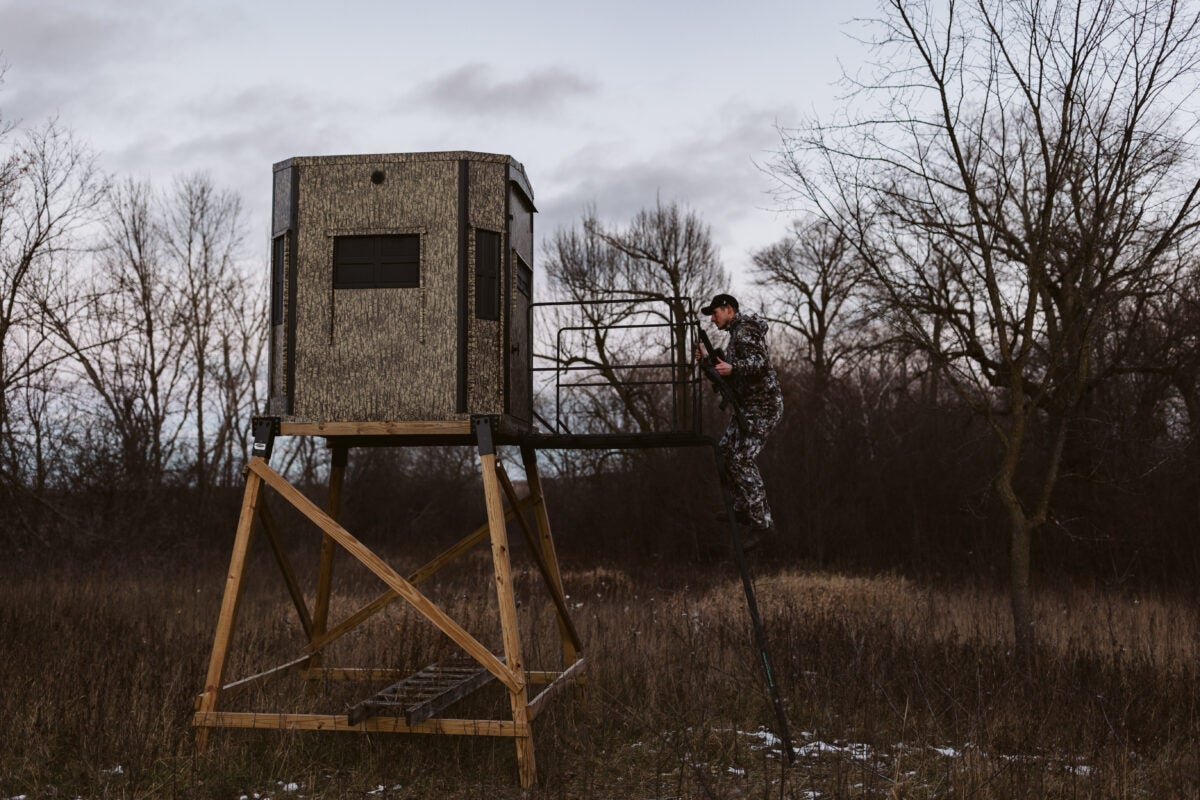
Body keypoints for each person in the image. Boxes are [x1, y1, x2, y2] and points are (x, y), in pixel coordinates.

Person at [696, 293, 784, 537]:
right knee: (725, 452)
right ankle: (743, 508)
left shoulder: (744, 331)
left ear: (729, 310)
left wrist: (733, 367)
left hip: (763, 407)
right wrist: (708, 361)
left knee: (741, 459)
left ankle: (762, 523)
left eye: (715, 313)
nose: (713, 320)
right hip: (748, 408)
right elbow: (731, 374)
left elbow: (761, 363)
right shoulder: (737, 336)